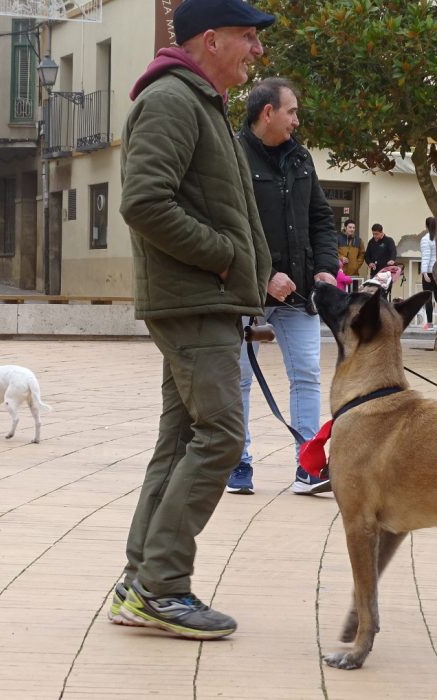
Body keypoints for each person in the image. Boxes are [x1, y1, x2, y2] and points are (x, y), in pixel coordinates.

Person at [114, 0, 274, 639]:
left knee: (182, 441)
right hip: (194, 300)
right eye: (247, 37)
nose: (256, 51)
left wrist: (246, 267)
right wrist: (226, 257)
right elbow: (143, 202)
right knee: (222, 437)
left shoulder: (199, 101)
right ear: (211, 39)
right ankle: (162, 588)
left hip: (204, 298)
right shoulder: (173, 101)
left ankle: (141, 581)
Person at [226, 77, 338, 497]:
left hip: (298, 294)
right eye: (291, 111)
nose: (296, 120)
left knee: (306, 374)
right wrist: (265, 275)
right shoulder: (232, 157)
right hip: (245, 292)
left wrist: (324, 269)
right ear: (268, 112)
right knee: (239, 378)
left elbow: (321, 218)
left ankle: (308, 465)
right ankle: (237, 462)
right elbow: (228, 229)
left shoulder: (301, 158)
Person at [419, 216, 437, 330]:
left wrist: (424, 272)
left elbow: (426, 257)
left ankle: (430, 324)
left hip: (429, 272)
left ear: (426, 226)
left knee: (428, 298)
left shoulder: (426, 239)